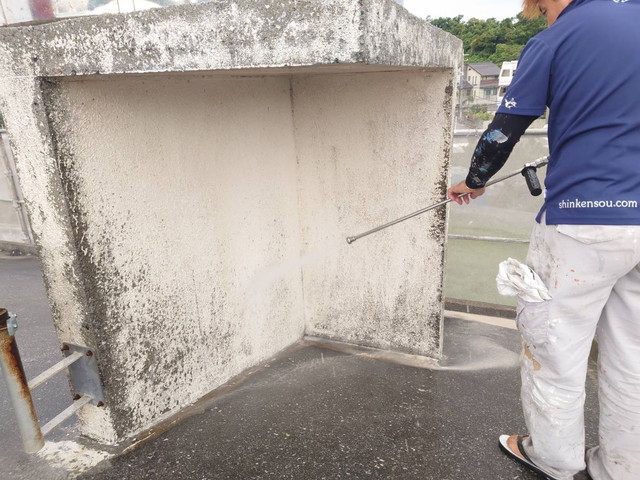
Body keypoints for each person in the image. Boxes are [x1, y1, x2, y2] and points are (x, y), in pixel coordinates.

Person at [447, 1, 640, 479]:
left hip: (583, 221)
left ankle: (554, 459)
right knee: (632, 356)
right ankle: (620, 469)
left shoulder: (555, 39)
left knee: (554, 347)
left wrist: (474, 180)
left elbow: (503, 131)